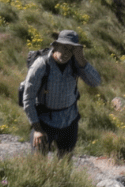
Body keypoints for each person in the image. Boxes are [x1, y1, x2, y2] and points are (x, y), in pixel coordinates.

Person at [22, 29, 90, 157]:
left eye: (70, 50)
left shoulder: (75, 64)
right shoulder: (41, 65)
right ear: (55, 45)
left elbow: (95, 81)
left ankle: (60, 177)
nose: (66, 53)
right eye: (64, 47)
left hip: (70, 122)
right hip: (44, 123)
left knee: (65, 162)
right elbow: (28, 98)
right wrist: (37, 129)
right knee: (38, 163)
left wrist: (81, 59)